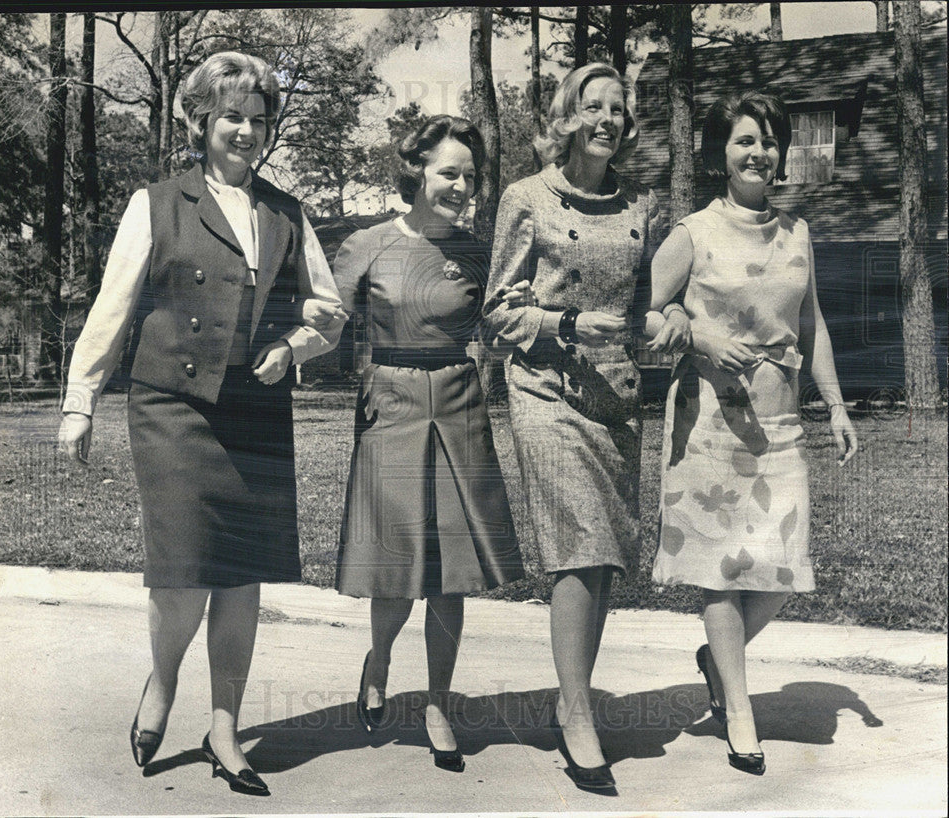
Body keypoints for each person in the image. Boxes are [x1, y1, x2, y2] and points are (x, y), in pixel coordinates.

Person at [57, 51, 346, 796]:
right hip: (171, 407)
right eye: (230, 119)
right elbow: (112, 306)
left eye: (258, 121)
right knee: (181, 574)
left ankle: (226, 728)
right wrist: (80, 397)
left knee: (242, 577)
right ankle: (162, 683)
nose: (246, 133)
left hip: (254, 410)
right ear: (199, 122)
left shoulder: (288, 213)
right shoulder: (155, 202)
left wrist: (294, 344)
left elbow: (331, 313)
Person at [482, 63, 685, 794]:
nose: (606, 119)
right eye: (592, 106)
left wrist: (671, 322)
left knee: (603, 560)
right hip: (544, 389)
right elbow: (498, 310)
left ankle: (576, 697)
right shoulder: (525, 197)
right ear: (568, 116)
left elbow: (655, 301)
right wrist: (565, 321)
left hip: (615, 396)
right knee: (578, 544)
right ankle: (576, 714)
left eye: (617, 110)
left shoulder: (643, 205)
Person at [647, 91, 858, 775]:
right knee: (719, 574)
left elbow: (813, 324)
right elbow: (643, 313)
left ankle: (719, 658)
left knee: (778, 570)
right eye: (744, 141)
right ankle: (739, 713)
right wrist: (701, 337)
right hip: (710, 421)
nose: (758, 153)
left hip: (781, 423)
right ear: (721, 153)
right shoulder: (693, 232)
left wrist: (836, 403)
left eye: (769, 141)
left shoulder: (798, 233)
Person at [332, 115, 525, 773]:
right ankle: (380, 657)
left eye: (469, 176)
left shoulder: (476, 251)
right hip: (391, 404)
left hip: (460, 403)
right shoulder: (366, 245)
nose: (461, 186)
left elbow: (504, 318)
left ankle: (438, 702)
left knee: (453, 572)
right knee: (398, 566)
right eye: (449, 172)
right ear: (415, 170)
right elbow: (323, 321)